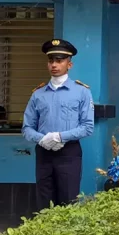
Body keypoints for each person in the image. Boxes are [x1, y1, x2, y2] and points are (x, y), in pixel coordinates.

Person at [23, 38, 94, 211]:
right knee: (44, 201)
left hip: (69, 153)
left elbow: (87, 126)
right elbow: (27, 128)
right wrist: (42, 139)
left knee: (69, 200)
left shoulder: (81, 92)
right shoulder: (38, 94)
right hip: (44, 153)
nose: (54, 64)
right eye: (51, 60)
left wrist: (60, 137)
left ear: (69, 64)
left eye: (59, 60)